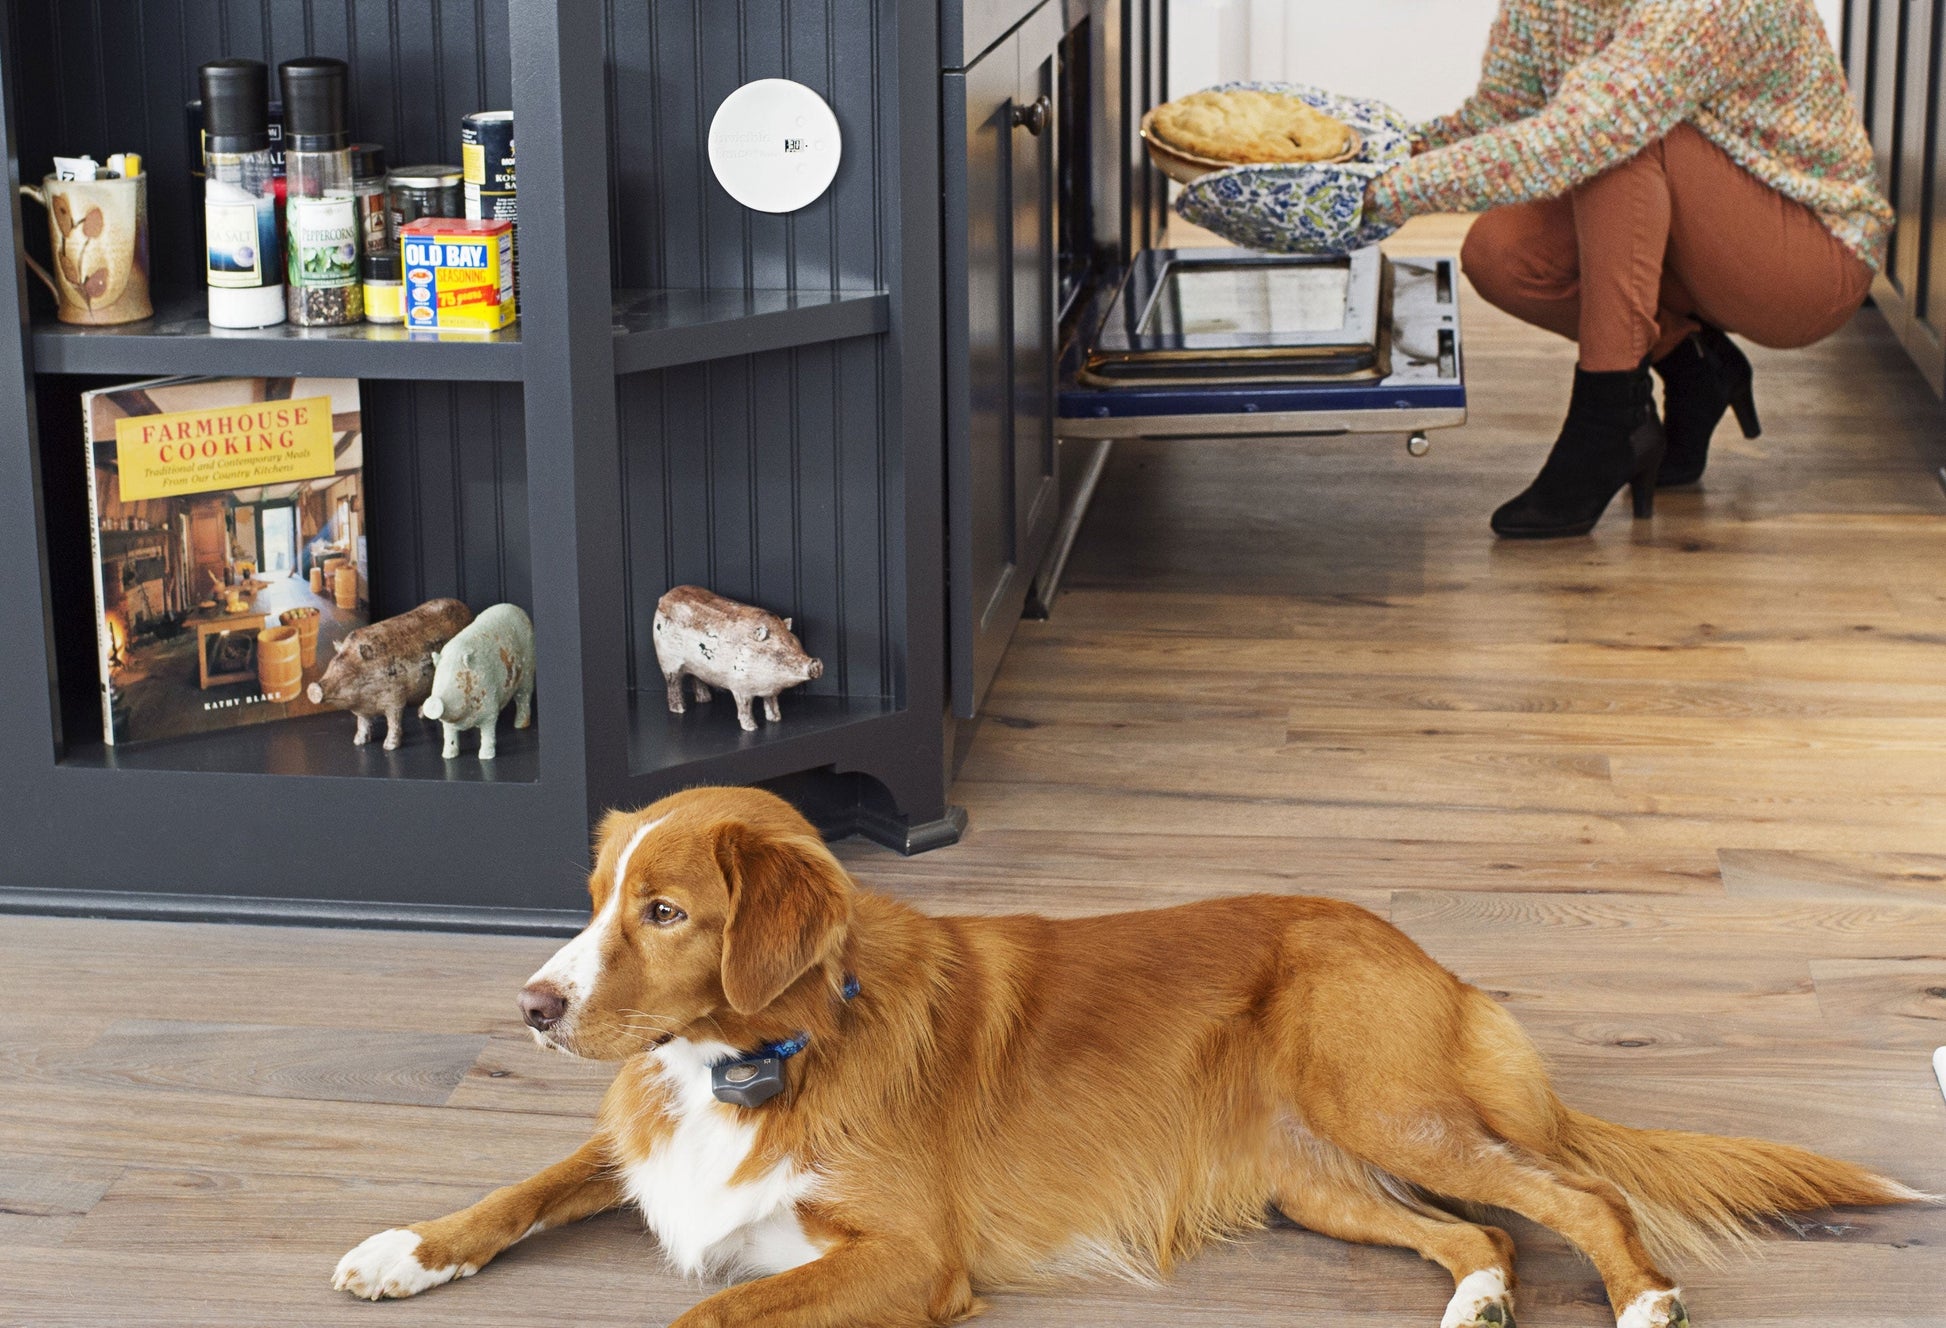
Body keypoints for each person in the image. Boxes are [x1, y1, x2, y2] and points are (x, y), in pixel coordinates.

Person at [1359, 0, 1890, 538]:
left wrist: (1381, 197)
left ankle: (1608, 420)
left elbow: (1586, 133)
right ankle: (1691, 363)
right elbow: (1501, 116)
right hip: (1698, 233)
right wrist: (1367, 158)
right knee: (1503, 255)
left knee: (1617, 135)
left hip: (1809, 260)